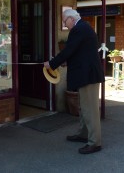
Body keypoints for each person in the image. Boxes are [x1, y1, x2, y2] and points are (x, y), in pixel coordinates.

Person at [44, 9, 104, 154]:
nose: (65, 24)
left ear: (71, 19)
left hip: (88, 75)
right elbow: (79, 52)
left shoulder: (78, 29)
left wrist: (52, 63)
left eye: (65, 21)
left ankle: (95, 142)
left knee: (90, 110)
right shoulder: (83, 27)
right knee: (84, 108)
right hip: (86, 74)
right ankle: (84, 135)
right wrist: (66, 62)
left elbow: (68, 50)